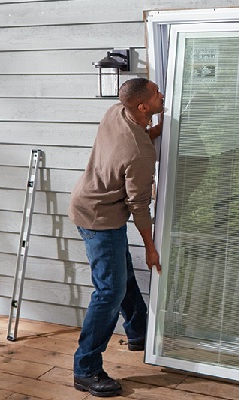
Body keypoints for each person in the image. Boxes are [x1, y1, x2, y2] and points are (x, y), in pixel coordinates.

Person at [68, 77, 164, 397]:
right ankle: (86, 368)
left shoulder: (115, 112)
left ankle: (139, 332)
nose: (161, 96)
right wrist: (151, 248)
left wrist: (154, 133)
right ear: (142, 107)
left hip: (86, 202)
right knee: (109, 291)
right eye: (156, 94)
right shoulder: (139, 153)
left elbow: (132, 141)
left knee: (119, 279)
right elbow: (139, 207)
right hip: (100, 219)